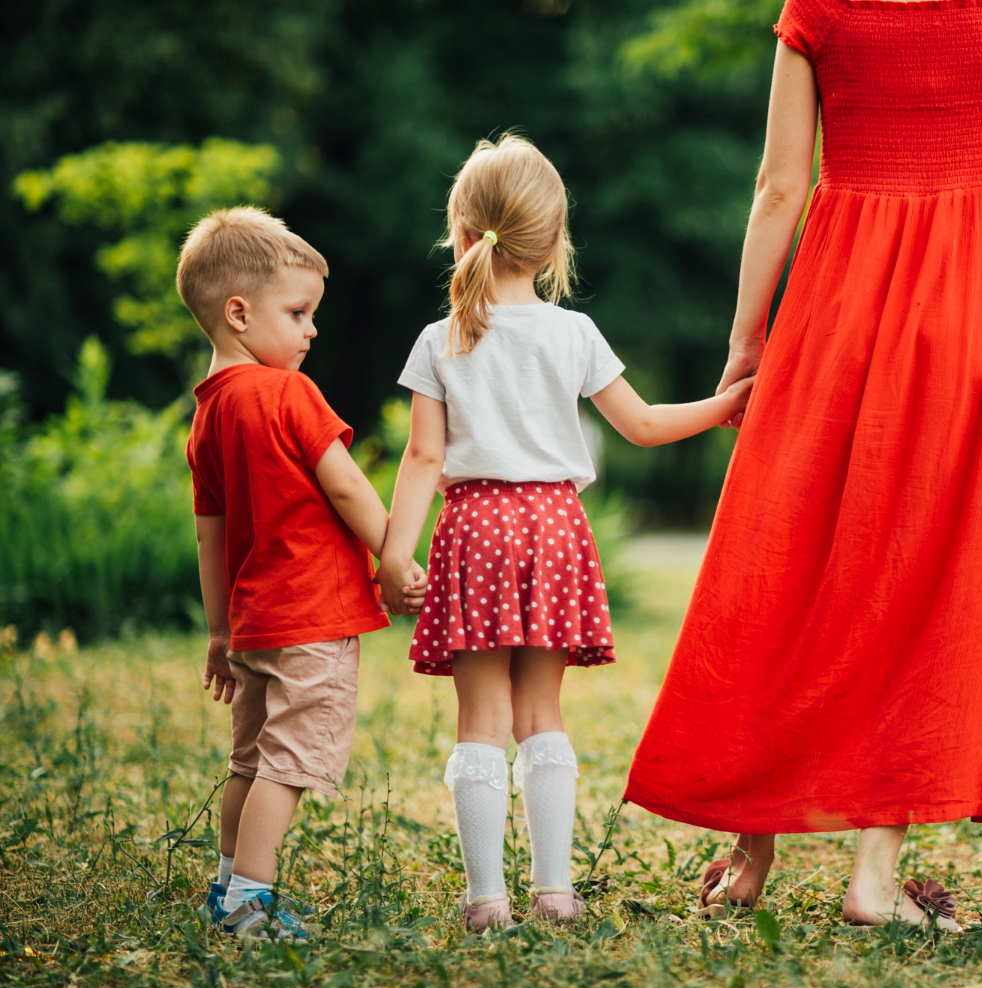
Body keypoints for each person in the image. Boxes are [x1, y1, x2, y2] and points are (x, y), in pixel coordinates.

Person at [624, 0, 982, 931]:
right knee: (932, 570)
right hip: (973, 307)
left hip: (839, 295)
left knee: (784, 542)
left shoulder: (822, 10)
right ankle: (874, 880)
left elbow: (777, 184)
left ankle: (752, 844)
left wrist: (745, 340)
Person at [376, 135, 756, 932]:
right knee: (541, 712)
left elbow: (422, 455)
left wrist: (393, 551)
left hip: (475, 526)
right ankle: (553, 890)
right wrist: (729, 405)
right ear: (552, 243)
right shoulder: (573, 333)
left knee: (478, 721)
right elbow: (645, 424)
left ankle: (486, 900)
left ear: (463, 232)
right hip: (553, 526)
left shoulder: (439, 338)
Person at [180, 207, 427, 939]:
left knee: (249, 757)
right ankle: (247, 901)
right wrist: (394, 556)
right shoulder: (286, 393)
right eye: (298, 312)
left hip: (256, 620)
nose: (311, 330)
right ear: (239, 313)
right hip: (312, 616)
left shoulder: (207, 416)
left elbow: (210, 534)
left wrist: (219, 628)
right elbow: (348, 485)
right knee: (289, 762)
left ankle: (226, 885)